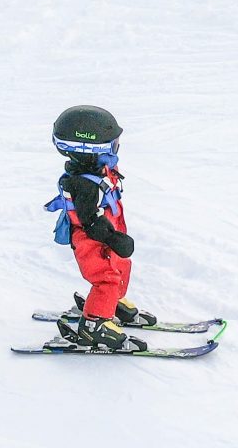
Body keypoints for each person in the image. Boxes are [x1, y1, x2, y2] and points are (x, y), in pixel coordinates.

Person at [45, 105, 149, 350]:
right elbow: (90, 222)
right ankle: (94, 324)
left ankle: (111, 303)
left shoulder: (97, 170)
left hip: (108, 233)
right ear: (90, 150)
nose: (117, 147)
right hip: (93, 241)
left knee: (121, 266)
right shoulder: (85, 185)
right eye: (113, 143)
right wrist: (114, 239)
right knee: (106, 278)